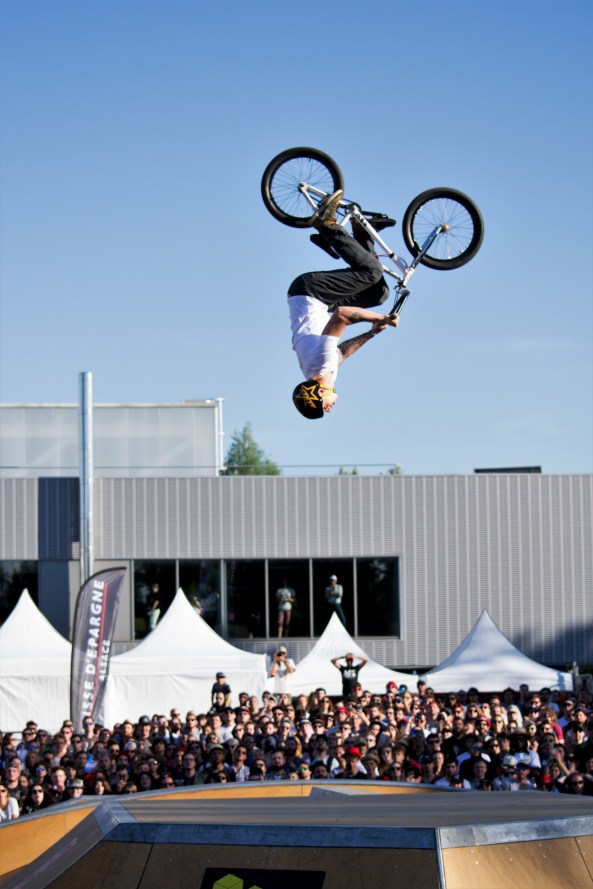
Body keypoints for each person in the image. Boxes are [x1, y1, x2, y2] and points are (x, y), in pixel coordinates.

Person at [288, 191, 399, 419]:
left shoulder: (321, 363)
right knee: (378, 294)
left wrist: (380, 318)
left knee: (372, 272)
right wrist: (371, 334)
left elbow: (342, 315)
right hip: (317, 299)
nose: (328, 409)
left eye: (323, 406)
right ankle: (363, 233)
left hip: (310, 291)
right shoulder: (322, 371)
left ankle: (327, 224)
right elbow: (341, 353)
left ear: (320, 392)